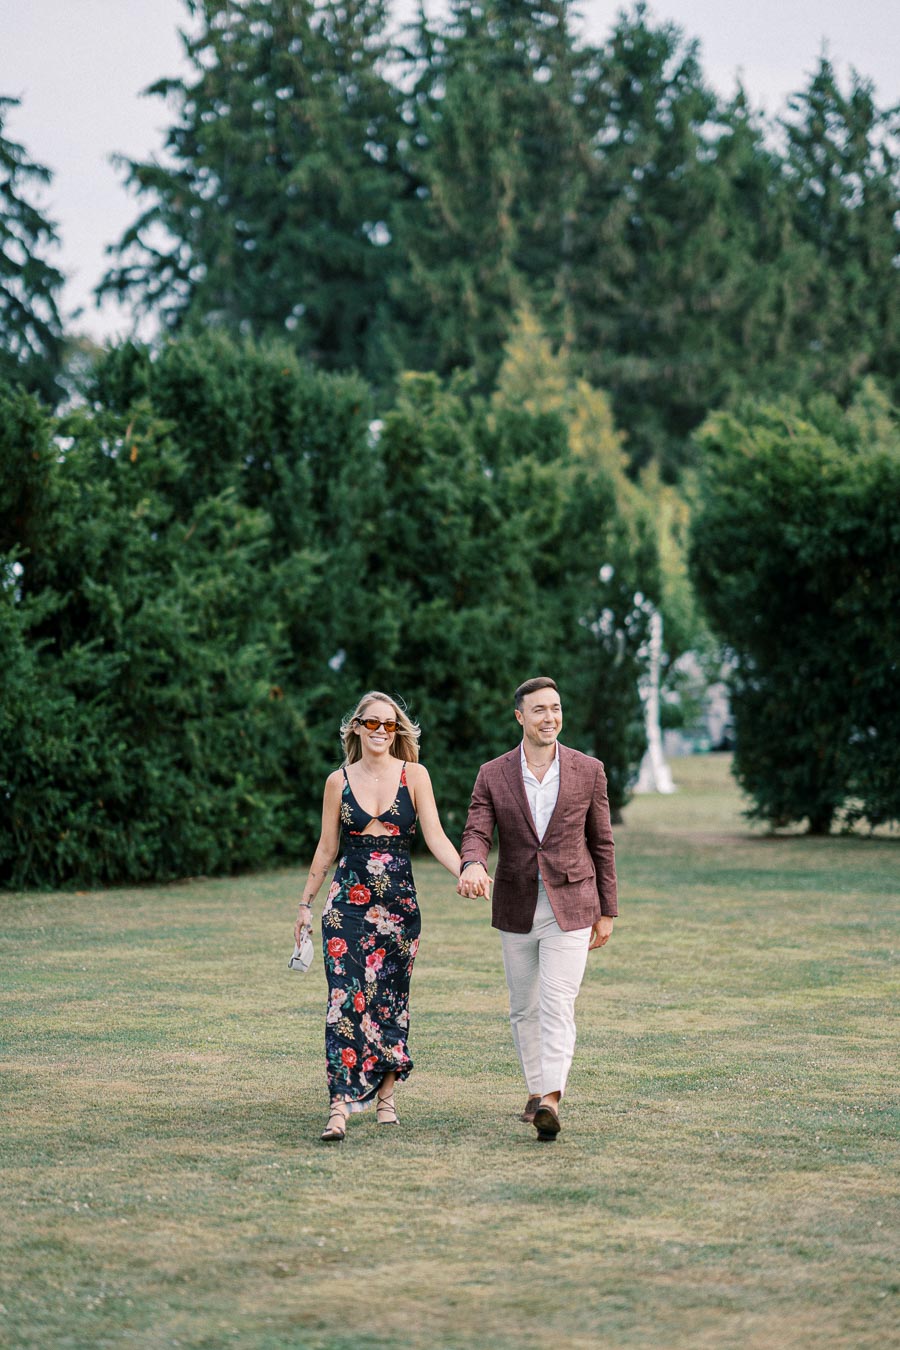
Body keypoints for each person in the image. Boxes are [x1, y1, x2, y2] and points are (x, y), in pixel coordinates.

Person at [294, 692, 461, 1142]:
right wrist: (305, 905)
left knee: (389, 1002)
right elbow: (326, 848)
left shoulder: (415, 776)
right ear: (356, 728)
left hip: (398, 909)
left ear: (397, 730)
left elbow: (436, 837)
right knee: (344, 1003)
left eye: (389, 725)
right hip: (346, 905)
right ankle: (340, 1106)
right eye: (372, 724)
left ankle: (385, 1097)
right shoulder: (337, 781)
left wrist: (466, 869)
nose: (381, 732)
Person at [457, 677, 617, 1142]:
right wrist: (471, 863)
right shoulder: (493, 773)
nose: (550, 717)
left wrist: (608, 910)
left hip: (573, 904)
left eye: (556, 708)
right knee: (523, 1007)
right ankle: (535, 1091)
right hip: (516, 903)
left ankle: (551, 1096)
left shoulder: (589, 770)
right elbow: (477, 830)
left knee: (557, 1002)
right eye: (540, 710)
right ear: (520, 717)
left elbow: (602, 843)